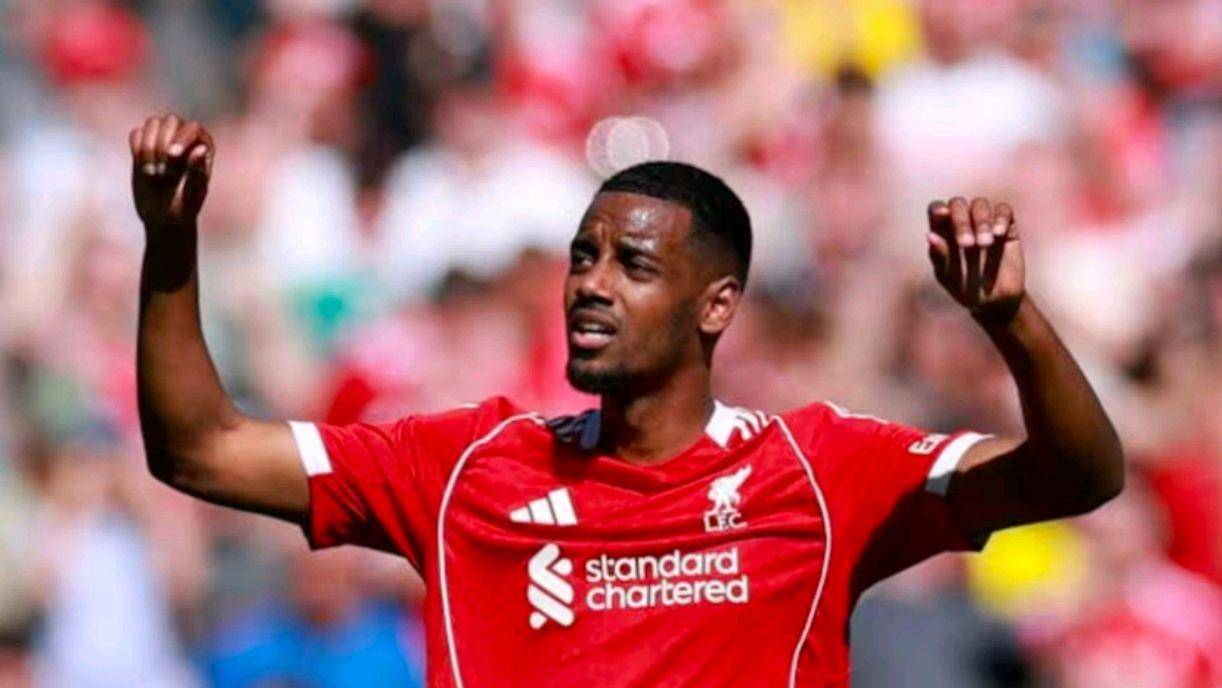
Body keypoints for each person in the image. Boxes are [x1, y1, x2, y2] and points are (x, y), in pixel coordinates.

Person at [130, 114, 1123, 686]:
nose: (590, 285)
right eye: (582, 257)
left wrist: (1010, 320)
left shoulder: (820, 472)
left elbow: (1076, 475)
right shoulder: (467, 467)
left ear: (716, 305)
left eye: (632, 265)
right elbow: (200, 450)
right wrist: (171, 245)